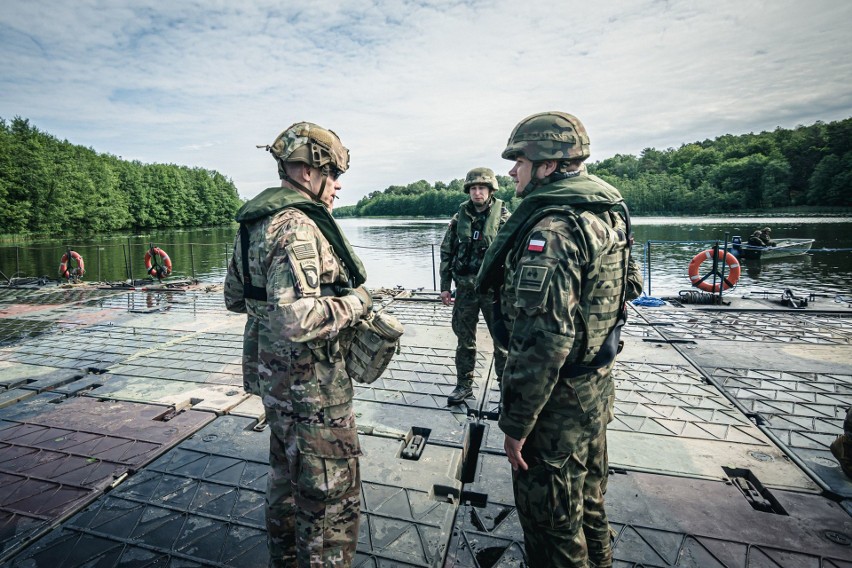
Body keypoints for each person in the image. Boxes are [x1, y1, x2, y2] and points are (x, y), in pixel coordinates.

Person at [477, 111, 634, 567]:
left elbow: (544, 342)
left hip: (555, 405)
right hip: (595, 391)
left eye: (519, 160)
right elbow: (629, 289)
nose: (511, 171)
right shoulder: (608, 213)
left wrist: (516, 424)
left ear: (547, 165)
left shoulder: (554, 229)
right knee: (589, 507)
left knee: (552, 529)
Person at [224, 122, 372, 567]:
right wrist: (356, 303)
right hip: (315, 394)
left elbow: (235, 297)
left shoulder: (255, 223)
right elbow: (296, 318)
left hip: (277, 387)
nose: (338, 184)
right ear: (309, 171)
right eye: (334, 173)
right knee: (329, 504)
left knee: (286, 486)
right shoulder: (298, 227)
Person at [439, 167, 510, 405]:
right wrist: (445, 285)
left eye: (482, 188)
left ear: (490, 190)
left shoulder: (504, 218)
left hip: (494, 291)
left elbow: (514, 256)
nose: (477, 192)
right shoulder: (459, 218)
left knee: (502, 344)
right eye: (473, 188)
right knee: (464, 341)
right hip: (465, 290)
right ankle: (463, 386)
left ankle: (505, 391)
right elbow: (447, 251)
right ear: (468, 191)